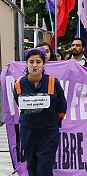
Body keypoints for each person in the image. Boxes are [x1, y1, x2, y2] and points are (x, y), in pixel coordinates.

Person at [13, 47, 67, 176]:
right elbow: (19, 103)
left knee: (44, 167)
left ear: (43, 64)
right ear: (26, 63)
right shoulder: (19, 84)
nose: (35, 65)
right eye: (31, 62)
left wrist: (55, 123)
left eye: (38, 62)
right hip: (28, 131)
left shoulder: (53, 82)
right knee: (32, 165)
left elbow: (62, 105)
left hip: (48, 132)